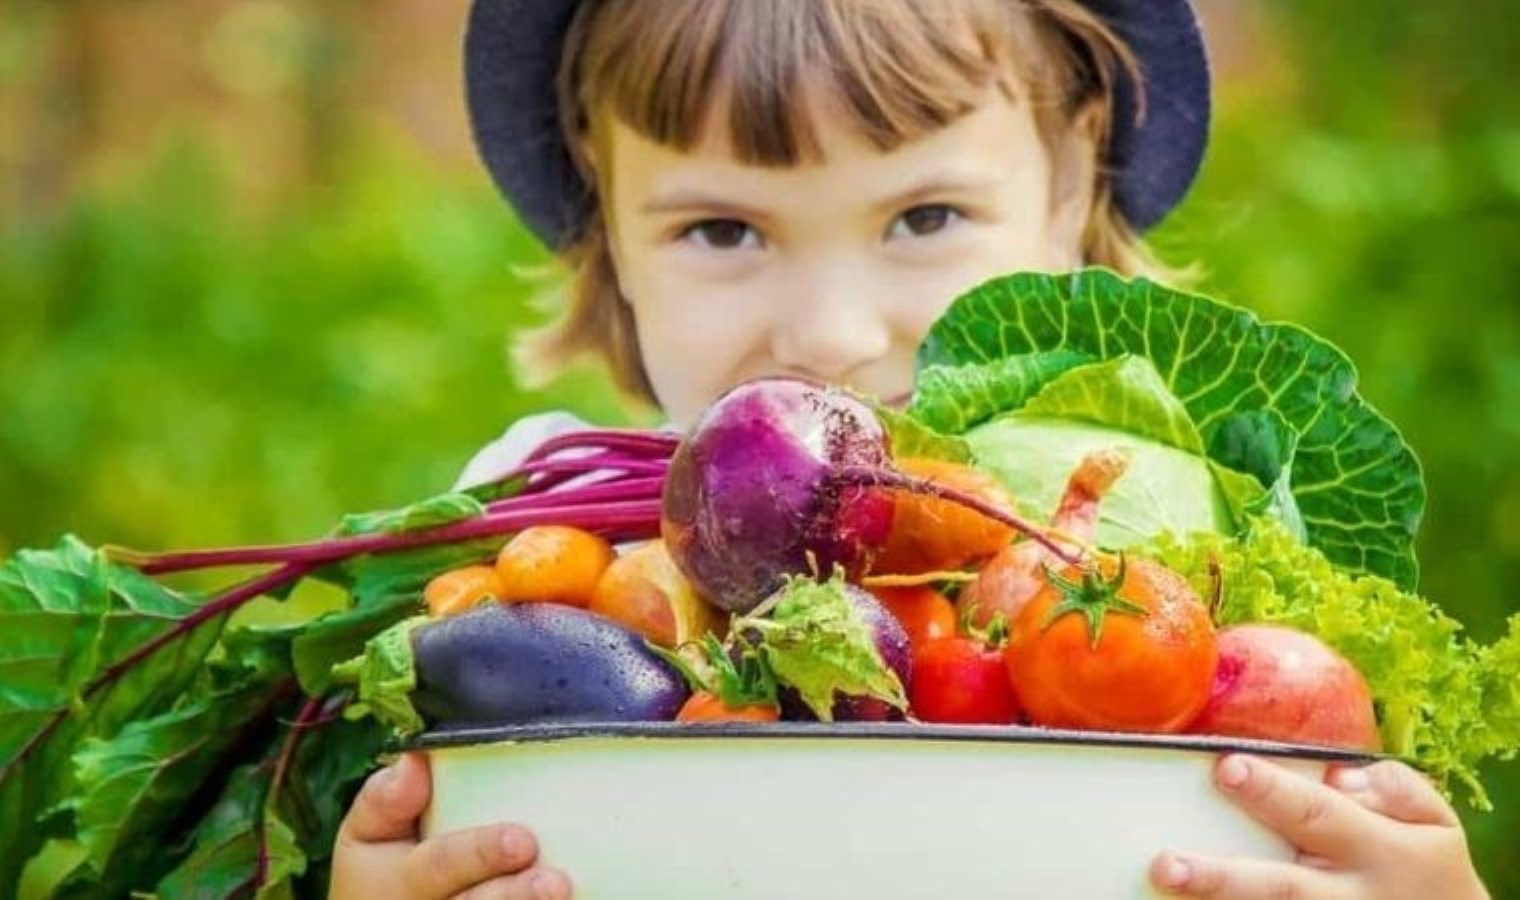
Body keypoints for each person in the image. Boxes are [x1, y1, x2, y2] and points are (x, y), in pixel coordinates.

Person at [329, 1, 1491, 897]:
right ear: (606, 212)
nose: (834, 337)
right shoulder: (535, 529)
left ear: (1074, 172)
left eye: (923, 218)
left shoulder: (1199, 571)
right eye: (721, 229)